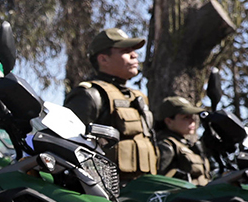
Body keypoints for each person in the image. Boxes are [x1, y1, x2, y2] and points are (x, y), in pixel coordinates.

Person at [64, 27, 157, 181]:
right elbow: (68, 146)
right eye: (126, 51)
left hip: (142, 191)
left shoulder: (138, 97)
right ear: (103, 59)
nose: (135, 55)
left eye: (133, 51)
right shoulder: (90, 94)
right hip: (110, 193)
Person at [154, 96, 211, 186]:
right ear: (169, 121)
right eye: (186, 117)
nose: (192, 121)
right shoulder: (167, 145)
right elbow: (159, 181)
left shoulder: (185, 144)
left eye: (192, 117)